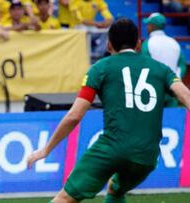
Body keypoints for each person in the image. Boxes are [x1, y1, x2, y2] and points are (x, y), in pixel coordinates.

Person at [27, 18, 190, 203]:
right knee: (115, 188)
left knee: (65, 198)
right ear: (139, 44)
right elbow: (185, 96)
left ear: (109, 44)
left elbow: (74, 116)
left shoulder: (100, 69)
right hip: (147, 155)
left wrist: (46, 150)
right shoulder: (162, 70)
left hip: (112, 149)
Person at [141, 12, 187, 106]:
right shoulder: (174, 43)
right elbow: (182, 65)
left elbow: (144, 67)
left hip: (154, 91)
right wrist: (176, 80)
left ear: (151, 26)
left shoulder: (147, 44)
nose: (147, 27)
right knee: (173, 118)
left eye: (148, 25)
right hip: (172, 90)